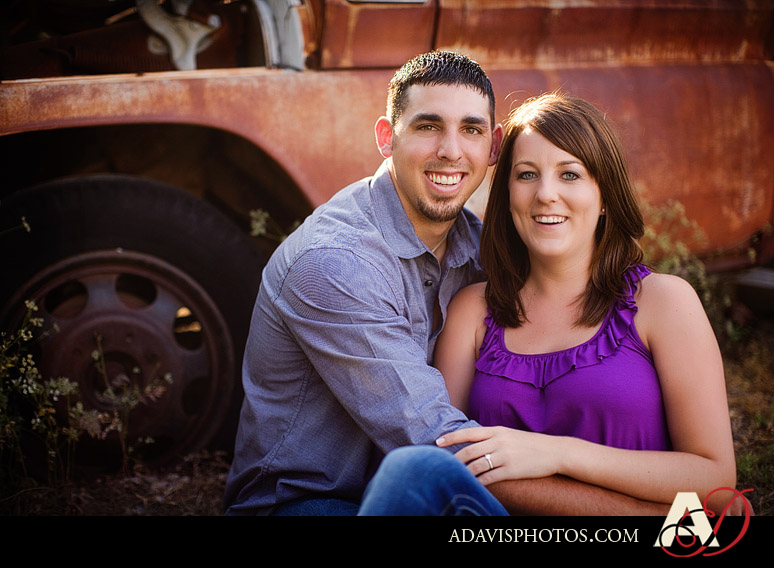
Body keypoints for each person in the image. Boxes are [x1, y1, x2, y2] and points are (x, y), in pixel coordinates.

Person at [358, 93, 739, 516]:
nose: (545, 194)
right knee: (411, 471)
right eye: (526, 175)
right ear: (507, 195)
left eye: (570, 174)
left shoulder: (663, 303)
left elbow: (717, 482)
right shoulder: (473, 312)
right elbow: (445, 453)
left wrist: (557, 454)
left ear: (605, 196)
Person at [223, 50, 503, 515]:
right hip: (308, 503)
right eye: (428, 126)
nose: (451, 151)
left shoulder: (477, 246)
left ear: (493, 147)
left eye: (471, 130)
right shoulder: (336, 262)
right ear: (386, 137)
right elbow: (437, 444)